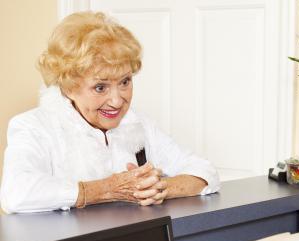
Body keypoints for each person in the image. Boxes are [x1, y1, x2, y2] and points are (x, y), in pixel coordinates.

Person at [0, 11, 219, 214]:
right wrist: (106, 189)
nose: (117, 101)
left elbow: (205, 171)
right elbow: (16, 193)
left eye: (125, 81)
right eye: (100, 87)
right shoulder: (34, 126)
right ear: (68, 87)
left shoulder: (138, 124)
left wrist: (160, 187)